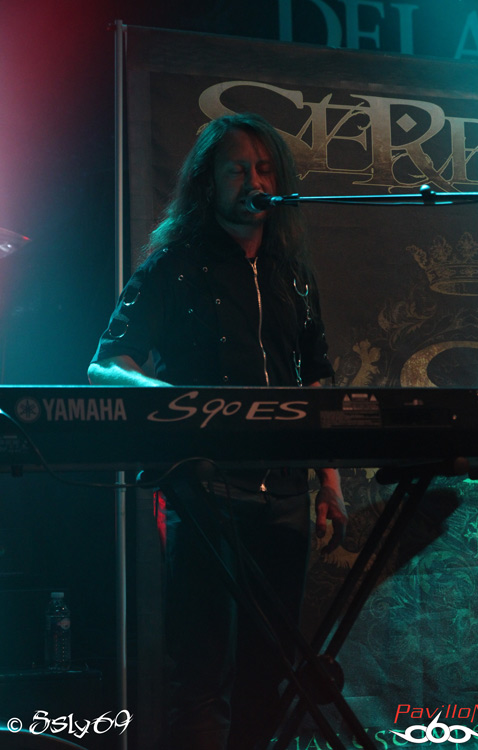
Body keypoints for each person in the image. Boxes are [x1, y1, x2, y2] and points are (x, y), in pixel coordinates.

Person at [88, 113, 347, 750]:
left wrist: (331, 482)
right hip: (205, 490)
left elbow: (316, 379)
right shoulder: (174, 265)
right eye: (237, 169)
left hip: (285, 494)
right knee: (201, 672)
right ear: (208, 180)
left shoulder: (293, 274)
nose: (253, 182)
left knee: (271, 670)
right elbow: (105, 364)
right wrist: (172, 402)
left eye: (264, 170)